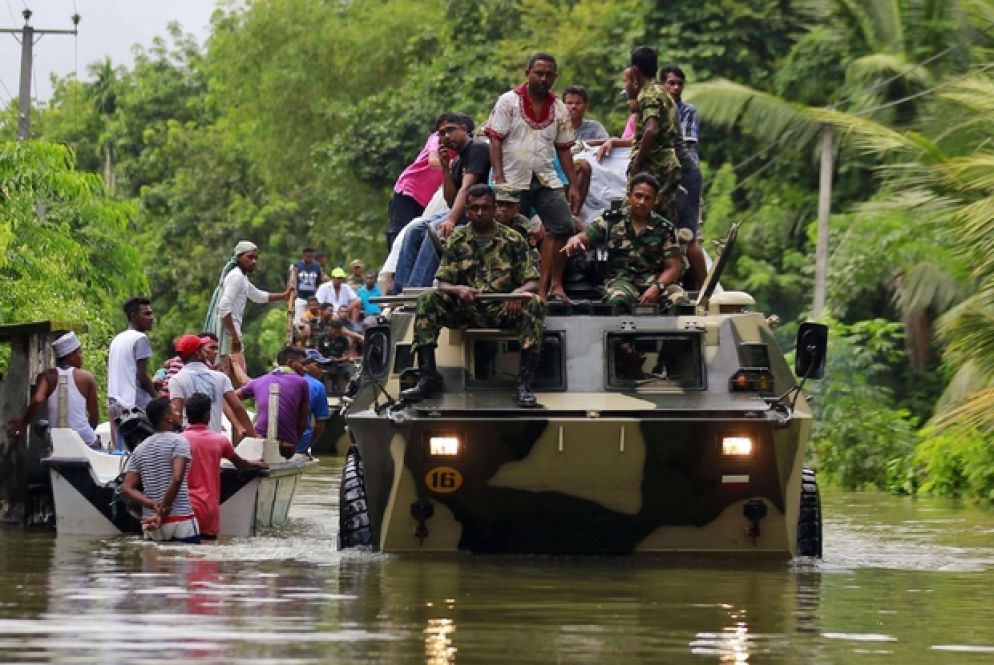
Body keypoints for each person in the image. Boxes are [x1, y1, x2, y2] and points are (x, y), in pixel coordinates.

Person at [401, 184, 545, 406]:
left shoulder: (514, 240)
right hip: (465, 308)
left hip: (502, 309)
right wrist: (458, 289)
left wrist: (518, 293)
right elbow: (443, 282)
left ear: (494, 208)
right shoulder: (457, 240)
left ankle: (524, 383)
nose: (480, 213)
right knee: (427, 299)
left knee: (534, 303)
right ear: (466, 210)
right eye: (474, 208)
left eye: (485, 207)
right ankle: (428, 377)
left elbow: (533, 280)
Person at [485, 52, 577, 303]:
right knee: (505, 232)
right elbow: (495, 139)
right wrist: (500, 176)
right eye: (538, 73)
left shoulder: (559, 108)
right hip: (513, 178)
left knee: (563, 226)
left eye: (548, 74)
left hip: (545, 176)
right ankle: (505, 287)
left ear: (554, 77)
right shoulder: (508, 101)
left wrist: (573, 184)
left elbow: (564, 148)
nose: (543, 78)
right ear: (528, 74)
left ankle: (551, 286)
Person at [561, 173, 686, 312]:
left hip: (656, 282)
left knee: (679, 300)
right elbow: (587, 235)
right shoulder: (612, 220)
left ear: (655, 200)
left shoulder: (665, 228)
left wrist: (657, 288)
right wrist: (575, 239)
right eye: (638, 196)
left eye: (647, 198)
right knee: (617, 300)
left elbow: (673, 267)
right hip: (622, 281)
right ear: (629, 195)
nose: (642, 202)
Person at [394, 112, 489, 292]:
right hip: (461, 210)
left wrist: (451, 220)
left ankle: (416, 290)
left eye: (450, 130)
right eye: (442, 133)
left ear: (463, 129)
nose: (446, 136)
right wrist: (446, 169)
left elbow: (466, 188)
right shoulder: (458, 160)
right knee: (414, 229)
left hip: (479, 211)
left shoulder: (477, 148)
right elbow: (451, 200)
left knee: (434, 231)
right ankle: (400, 291)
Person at [205, 241, 293, 387]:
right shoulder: (236, 277)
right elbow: (224, 307)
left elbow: (257, 296)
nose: (254, 262)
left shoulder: (242, 277)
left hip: (232, 330)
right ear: (239, 257)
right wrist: (234, 336)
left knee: (232, 377)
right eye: (250, 257)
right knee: (236, 378)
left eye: (256, 258)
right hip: (229, 332)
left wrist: (283, 296)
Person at [183, 393, 267, 539]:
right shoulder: (220, 441)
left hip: (182, 508)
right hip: (208, 509)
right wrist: (257, 464)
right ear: (208, 415)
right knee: (207, 556)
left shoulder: (179, 440)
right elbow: (241, 464)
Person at [120, 397, 200, 543]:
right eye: (175, 411)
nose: (179, 414)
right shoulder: (179, 441)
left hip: (150, 522)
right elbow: (176, 478)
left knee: (155, 564)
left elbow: (126, 488)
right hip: (180, 519)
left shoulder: (140, 449)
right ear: (168, 417)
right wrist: (162, 511)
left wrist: (153, 505)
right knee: (189, 563)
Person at [6, 331, 100, 449]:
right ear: (71, 355)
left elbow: (38, 399)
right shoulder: (87, 378)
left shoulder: (46, 377)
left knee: (41, 426)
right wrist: (83, 434)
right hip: (85, 440)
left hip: (57, 441)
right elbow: (94, 419)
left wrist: (24, 423)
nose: (82, 356)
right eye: (79, 352)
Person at [661, 64, 707, 290]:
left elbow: (684, 147)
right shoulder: (655, 110)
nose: (675, 87)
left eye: (679, 83)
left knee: (688, 237)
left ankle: (705, 287)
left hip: (685, 177)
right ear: (662, 85)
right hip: (664, 180)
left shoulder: (686, 111)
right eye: (671, 83)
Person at [625, 47, 681, 222]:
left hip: (654, 165)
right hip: (668, 163)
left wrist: (638, 163)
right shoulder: (662, 92)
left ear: (635, 69)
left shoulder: (648, 94)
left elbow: (651, 129)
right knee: (663, 220)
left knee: (639, 217)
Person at [168, 334, 256, 438]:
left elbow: (176, 413)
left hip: (188, 442)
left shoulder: (177, 380)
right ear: (197, 353)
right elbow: (237, 406)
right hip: (214, 441)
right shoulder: (220, 377)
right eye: (202, 349)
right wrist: (254, 434)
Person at [235, 346, 310, 459]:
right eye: (302, 364)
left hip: (258, 440)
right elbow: (302, 422)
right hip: (286, 446)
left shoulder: (260, 380)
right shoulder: (302, 382)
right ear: (290, 363)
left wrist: (240, 426)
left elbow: (230, 398)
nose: (305, 369)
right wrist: (294, 443)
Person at [108, 297, 157, 450]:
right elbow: (142, 376)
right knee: (142, 452)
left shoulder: (118, 338)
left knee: (121, 453)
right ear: (134, 316)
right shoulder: (140, 338)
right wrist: (157, 396)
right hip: (133, 405)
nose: (152, 318)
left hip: (114, 402)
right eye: (147, 314)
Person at [385, 132, 447, 250]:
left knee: (418, 236)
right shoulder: (437, 137)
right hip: (409, 190)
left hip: (427, 200)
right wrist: (453, 165)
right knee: (399, 232)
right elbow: (433, 161)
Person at [494, 186, 542, 274]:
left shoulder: (524, 224)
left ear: (517, 208)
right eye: (500, 204)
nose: (504, 209)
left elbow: (532, 254)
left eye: (509, 205)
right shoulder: (485, 222)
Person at [295, 351, 331, 456]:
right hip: (299, 444)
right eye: (318, 365)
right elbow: (319, 426)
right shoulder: (318, 386)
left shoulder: (281, 378)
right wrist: (307, 446)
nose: (322, 370)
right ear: (306, 364)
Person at [288, 247, 323, 323]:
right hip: (300, 297)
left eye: (311, 257)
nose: (310, 259)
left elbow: (318, 281)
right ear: (303, 256)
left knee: (313, 320)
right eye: (307, 257)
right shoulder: (296, 265)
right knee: (299, 320)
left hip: (313, 298)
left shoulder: (317, 266)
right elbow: (292, 279)